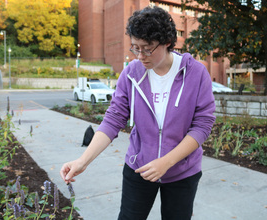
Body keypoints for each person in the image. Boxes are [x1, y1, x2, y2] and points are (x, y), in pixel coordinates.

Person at [60, 6, 215, 220]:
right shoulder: (131, 74)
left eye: (147, 48)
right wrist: (83, 161)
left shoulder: (196, 73)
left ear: (167, 42)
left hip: (182, 172)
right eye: (135, 47)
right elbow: (113, 119)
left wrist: (166, 162)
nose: (140, 55)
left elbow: (203, 125)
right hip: (138, 168)